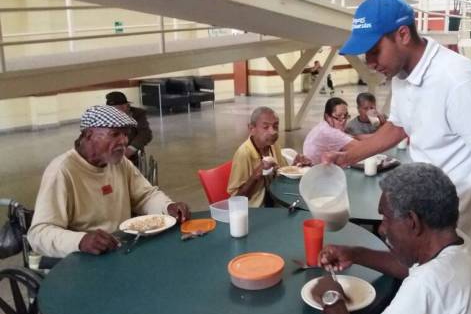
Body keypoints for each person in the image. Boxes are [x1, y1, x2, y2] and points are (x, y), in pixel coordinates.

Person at [327, 0, 471, 284]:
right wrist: (348, 156)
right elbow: (398, 127)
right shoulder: (404, 75)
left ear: (402, 34)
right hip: (424, 221)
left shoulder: (457, 81)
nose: (369, 62)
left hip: (459, 227)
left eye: (375, 50)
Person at [311, 163, 471, 314]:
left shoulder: (424, 285)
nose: (382, 228)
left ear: (412, 221)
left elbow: (423, 281)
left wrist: (332, 299)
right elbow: (408, 268)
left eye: (386, 218)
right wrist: (354, 253)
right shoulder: (460, 243)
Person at [27, 105, 190, 258]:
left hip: (121, 249)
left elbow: (145, 196)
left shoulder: (119, 163)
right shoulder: (62, 171)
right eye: (115, 134)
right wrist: (81, 241)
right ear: (89, 134)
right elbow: (39, 233)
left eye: (125, 134)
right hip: (83, 260)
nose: (124, 141)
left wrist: (167, 207)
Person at [228, 107, 310, 207]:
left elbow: (281, 173)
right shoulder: (244, 154)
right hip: (255, 210)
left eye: (276, 126)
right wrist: (255, 175)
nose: (273, 132)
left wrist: (296, 166)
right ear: (251, 129)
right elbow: (236, 199)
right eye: (266, 127)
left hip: (276, 201)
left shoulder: (272, 145)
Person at [303, 98, 358, 164]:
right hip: (317, 169)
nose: (343, 121)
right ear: (327, 116)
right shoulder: (331, 133)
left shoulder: (323, 125)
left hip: (312, 166)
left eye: (345, 115)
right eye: (339, 116)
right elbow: (362, 148)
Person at [105, 91, 152, 165]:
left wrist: (130, 150)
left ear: (126, 106)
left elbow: (145, 133)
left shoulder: (138, 114)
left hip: (132, 156)